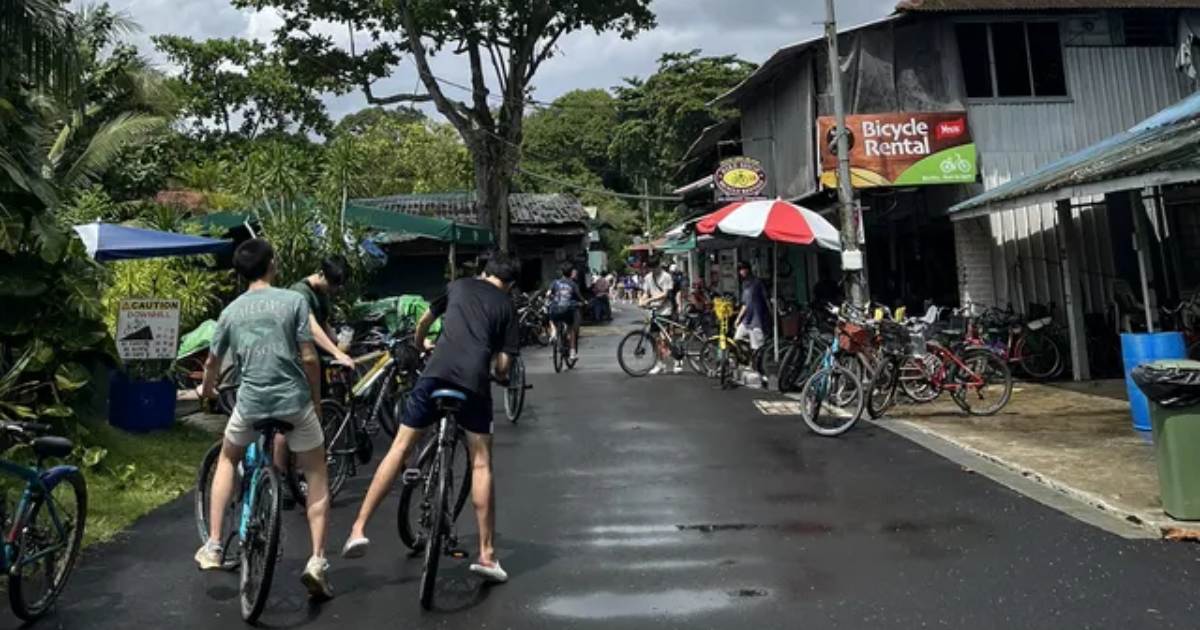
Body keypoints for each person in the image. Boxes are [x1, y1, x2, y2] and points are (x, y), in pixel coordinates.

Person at [341, 250, 521, 584]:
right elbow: (504, 366)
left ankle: (358, 529)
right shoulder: (506, 307)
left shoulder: (459, 286)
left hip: (435, 374)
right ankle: (486, 554)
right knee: (481, 462)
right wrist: (497, 372)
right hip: (472, 383)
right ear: (509, 284)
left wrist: (422, 345)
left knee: (398, 448)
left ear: (485, 272)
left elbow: (425, 319)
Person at [195, 238, 333, 600]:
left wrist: (206, 392)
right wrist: (316, 402)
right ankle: (317, 561)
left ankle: (213, 544)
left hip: (251, 403)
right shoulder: (294, 301)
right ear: (272, 264)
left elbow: (211, 363)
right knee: (316, 471)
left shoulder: (230, 312)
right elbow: (309, 358)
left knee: (228, 457)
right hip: (294, 403)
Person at [290, 256, 355, 370]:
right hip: (300, 359)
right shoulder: (300, 292)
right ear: (321, 274)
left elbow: (323, 324)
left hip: (316, 356)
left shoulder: (322, 293)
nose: (333, 290)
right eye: (331, 285)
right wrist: (336, 353)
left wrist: (338, 342)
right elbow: (311, 327)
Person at [639, 258, 681, 375]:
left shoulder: (666, 277)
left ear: (659, 266)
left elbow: (665, 294)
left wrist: (650, 300)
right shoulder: (648, 277)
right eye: (651, 268)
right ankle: (660, 363)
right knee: (655, 338)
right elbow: (645, 292)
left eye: (655, 267)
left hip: (665, 310)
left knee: (665, 339)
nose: (653, 270)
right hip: (654, 312)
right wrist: (642, 300)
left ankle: (676, 360)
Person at [547, 263, 585, 360]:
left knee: (551, 319)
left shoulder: (555, 282)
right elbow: (580, 298)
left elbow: (548, 294)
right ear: (571, 273)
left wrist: (551, 297)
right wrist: (584, 302)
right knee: (571, 328)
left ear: (562, 272)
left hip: (555, 309)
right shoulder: (573, 284)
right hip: (568, 310)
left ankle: (554, 333)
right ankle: (572, 352)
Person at [735, 261, 771, 352]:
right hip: (747, 318)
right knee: (737, 338)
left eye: (743, 269)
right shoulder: (744, 285)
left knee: (757, 346)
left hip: (757, 318)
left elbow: (766, 298)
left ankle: (756, 363)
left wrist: (770, 313)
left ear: (748, 270)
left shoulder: (757, 283)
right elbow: (745, 304)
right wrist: (738, 318)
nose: (742, 272)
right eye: (740, 270)